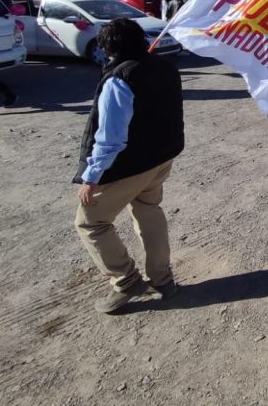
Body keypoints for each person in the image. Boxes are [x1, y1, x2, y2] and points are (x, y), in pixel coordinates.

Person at [73, 18, 185, 314]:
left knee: (91, 222)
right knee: (149, 211)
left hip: (130, 165)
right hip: (160, 157)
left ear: (107, 48)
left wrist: (91, 177)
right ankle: (163, 280)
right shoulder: (166, 66)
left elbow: (110, 137)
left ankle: (126, 281)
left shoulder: (120, 78)